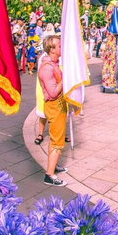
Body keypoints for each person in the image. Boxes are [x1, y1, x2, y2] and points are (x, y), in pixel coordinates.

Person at [37, 35, 69, 186]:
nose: (62, 48)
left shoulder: (54, 64)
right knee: (57, 141)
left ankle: (53, 165)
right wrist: (67, 76)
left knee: (55, 137)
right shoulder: (47, 68)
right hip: (54, 105)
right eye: (59, 46)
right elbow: (53, 92)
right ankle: (49, 175)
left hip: (59, 105)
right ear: (52, 49)